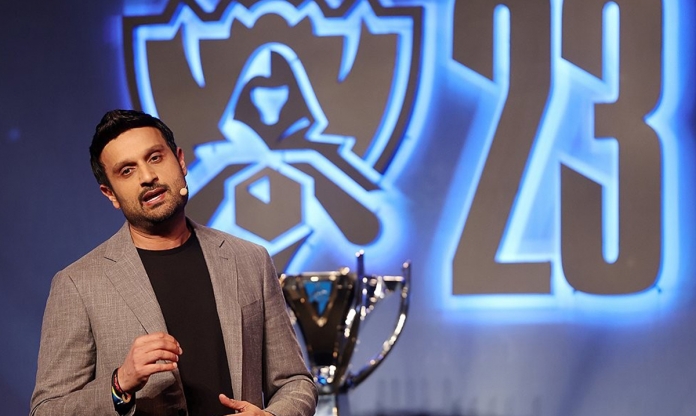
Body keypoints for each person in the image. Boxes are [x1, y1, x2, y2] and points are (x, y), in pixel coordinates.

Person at [30, 109, 317, 416]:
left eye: (155, 157)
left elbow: (295, 381)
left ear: (180, 161)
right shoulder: (78, 283)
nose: (147, 177)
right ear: (110, 193)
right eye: (127, 171)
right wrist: (119, 384)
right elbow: (46, 409)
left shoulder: (249, 260)